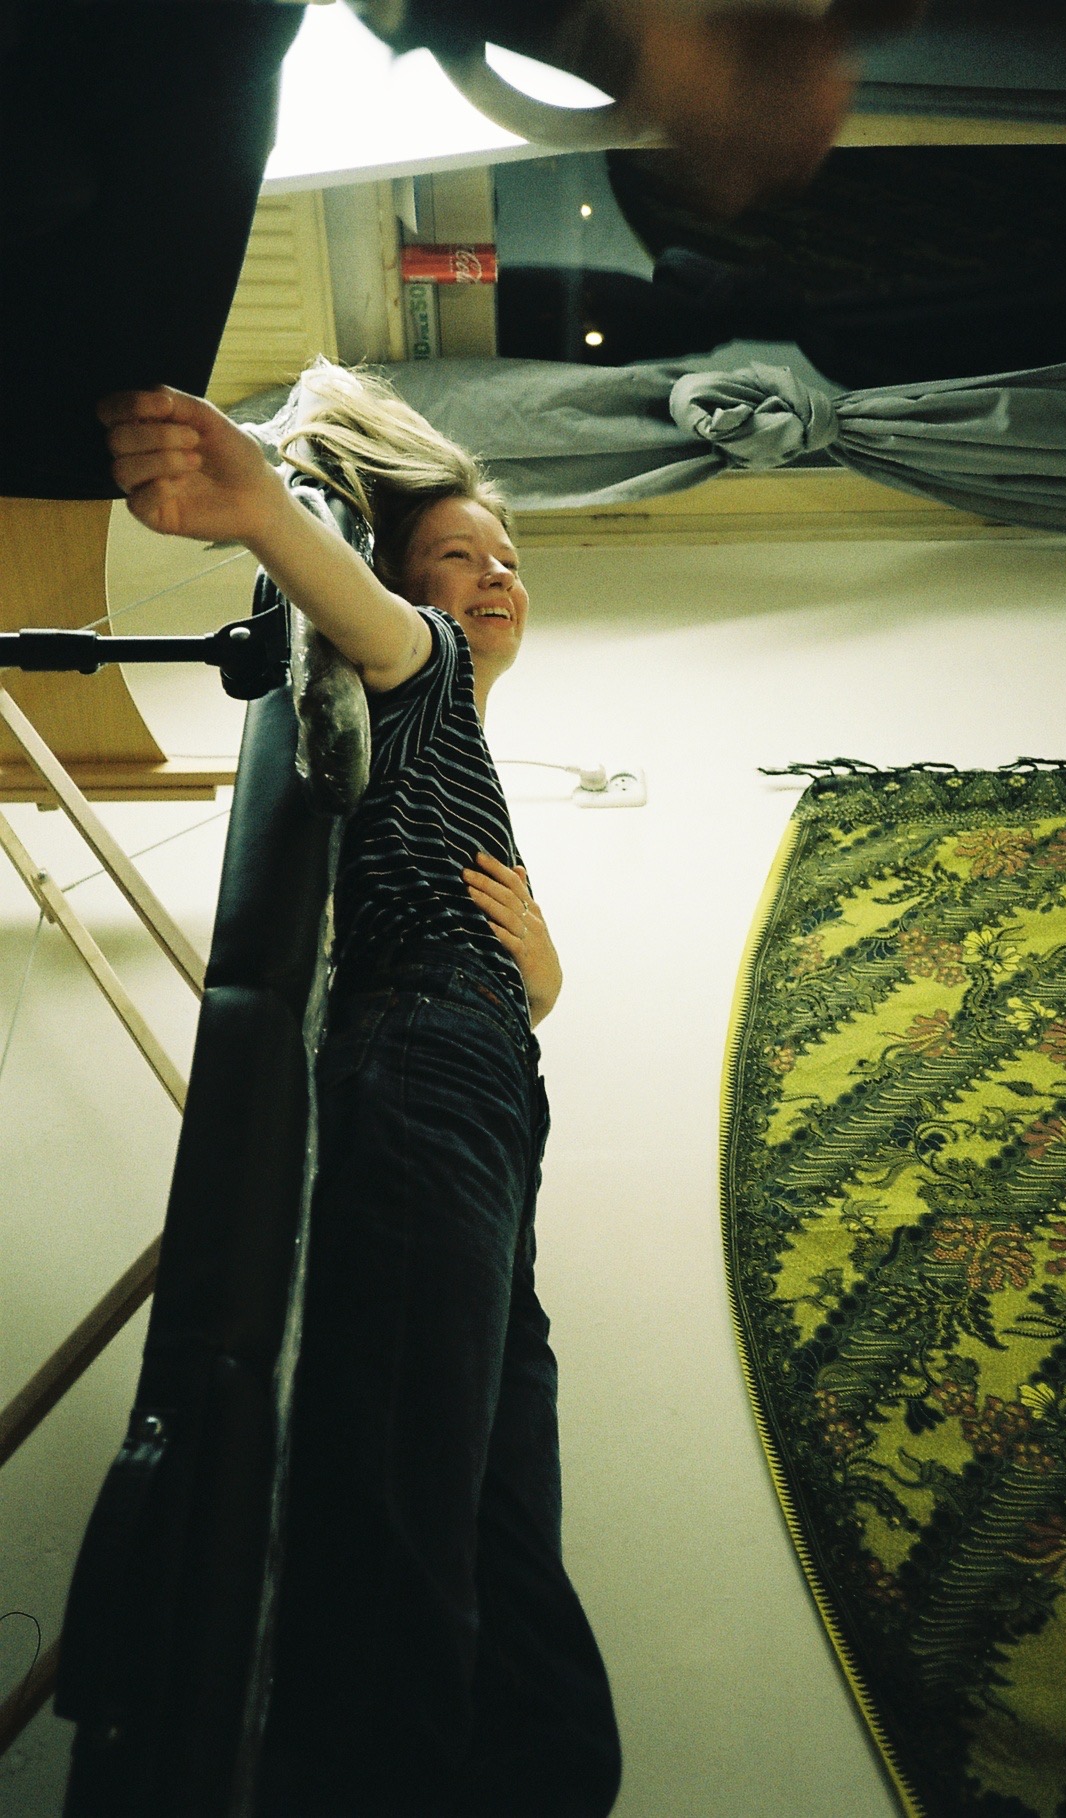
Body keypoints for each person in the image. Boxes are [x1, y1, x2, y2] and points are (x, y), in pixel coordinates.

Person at [97, 366, 621, 1818]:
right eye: (461, 552)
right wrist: (262, 504)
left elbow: (517, 978)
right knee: (400, 1493)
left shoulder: (461, 752)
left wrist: (547, 972)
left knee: (498, 1523)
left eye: (509, 557)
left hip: (489, 1105)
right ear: (405, 574)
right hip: (426, 1068)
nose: (494, 575)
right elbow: (381, 629)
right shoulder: (429, 664)